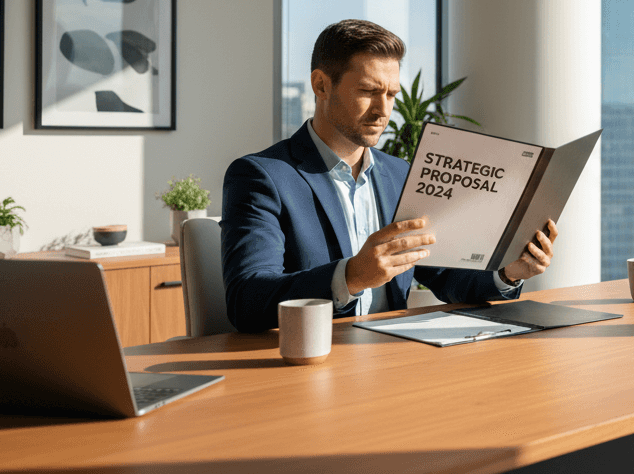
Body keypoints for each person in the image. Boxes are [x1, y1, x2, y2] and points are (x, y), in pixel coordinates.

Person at [221, 19, 556, 332]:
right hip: (315, 364)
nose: (384, 110)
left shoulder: (400, 173)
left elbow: (445, 276)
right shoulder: (261, 177)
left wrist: (509, 273)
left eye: (392, 94)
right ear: (321, 85)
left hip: (394, 359)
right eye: (368, 91)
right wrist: (350, 277)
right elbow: (246, 299)